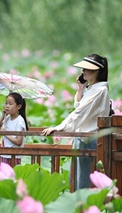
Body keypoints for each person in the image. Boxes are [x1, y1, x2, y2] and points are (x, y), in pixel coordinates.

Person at [42, 53, 110, 190]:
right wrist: (80, 89)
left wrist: (60, 127)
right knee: (77, 180)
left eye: (86, 69)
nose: (83, 71)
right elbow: (79, 107)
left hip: (90, 140)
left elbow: (80, 113)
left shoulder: (100, 90)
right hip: (82, 138)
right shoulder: (92, 88)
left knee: (85, 182)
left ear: (96, 71)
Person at [0, 92, 29, 166]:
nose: (7, 106)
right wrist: (2, 117)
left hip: (14, 156)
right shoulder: (7, 118)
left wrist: (5, 134)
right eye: (6, 103)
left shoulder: (20, 121)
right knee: (3, 177)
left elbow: (19, 142)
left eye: (10, 104)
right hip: (3, 154)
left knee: (11, 176)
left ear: (18, 106)